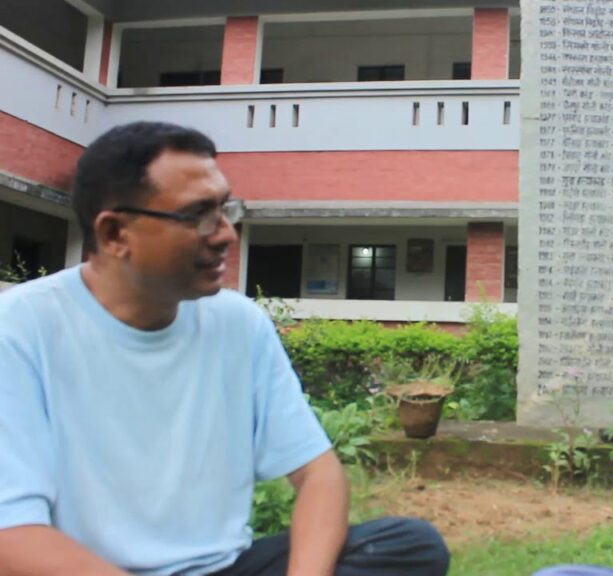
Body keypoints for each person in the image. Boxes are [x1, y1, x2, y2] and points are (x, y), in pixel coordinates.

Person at [0, 121, 449, 576]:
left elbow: (318, 474)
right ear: (116, 234)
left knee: (410, 546)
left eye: (225, 209)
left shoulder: (238, 323)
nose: (226, 235)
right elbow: (11, 535)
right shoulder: (20, 328)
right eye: (198, 215)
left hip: (225, 568)